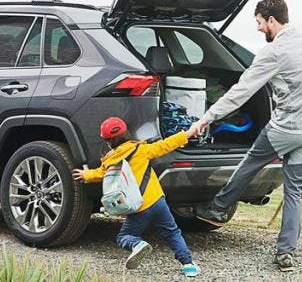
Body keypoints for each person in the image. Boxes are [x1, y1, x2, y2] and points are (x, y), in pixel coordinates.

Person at [189, 0, 302, 272]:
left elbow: (241, 90)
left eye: (259, 22)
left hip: (284, 129)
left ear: (271, 20)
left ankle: (218, 208)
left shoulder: (273, 53)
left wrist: (207, 118)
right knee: (293, 192)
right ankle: (286, 255)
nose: (259, 28)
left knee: (250, 163)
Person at [72, 117, 204, 277]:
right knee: (172, 232)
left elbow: (100, 174)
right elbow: (167, 144)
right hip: (157, 201)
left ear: (108, 141)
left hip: (138, 207)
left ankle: (137, 244)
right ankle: (188, 265)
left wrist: (85, 174)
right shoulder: (142, 150)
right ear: (126, 133)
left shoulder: (110, 160)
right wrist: (188, 133)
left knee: (124, 237)